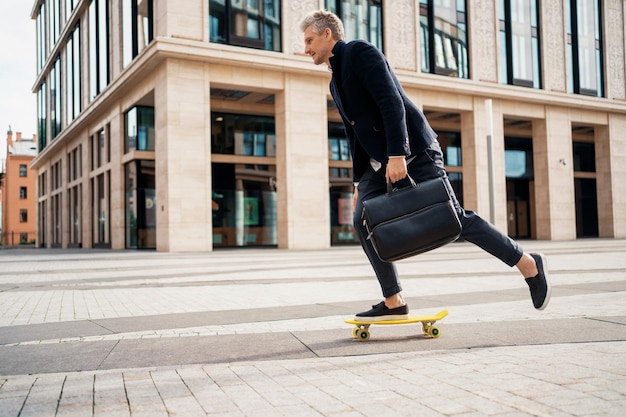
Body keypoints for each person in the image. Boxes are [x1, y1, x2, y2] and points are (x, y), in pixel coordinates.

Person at [300, 10, 551, 321]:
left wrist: (397, 155)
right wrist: (356, 182)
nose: (306, 47)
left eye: (309, 40)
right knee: (362, 221)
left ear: (328, 34)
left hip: (414, 152)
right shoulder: (335, 80)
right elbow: (354, 132)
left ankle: (528, 264)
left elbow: (391, 102)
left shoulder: (359, 52)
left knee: (455, 218)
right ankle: (394, 300)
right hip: (376, 166)